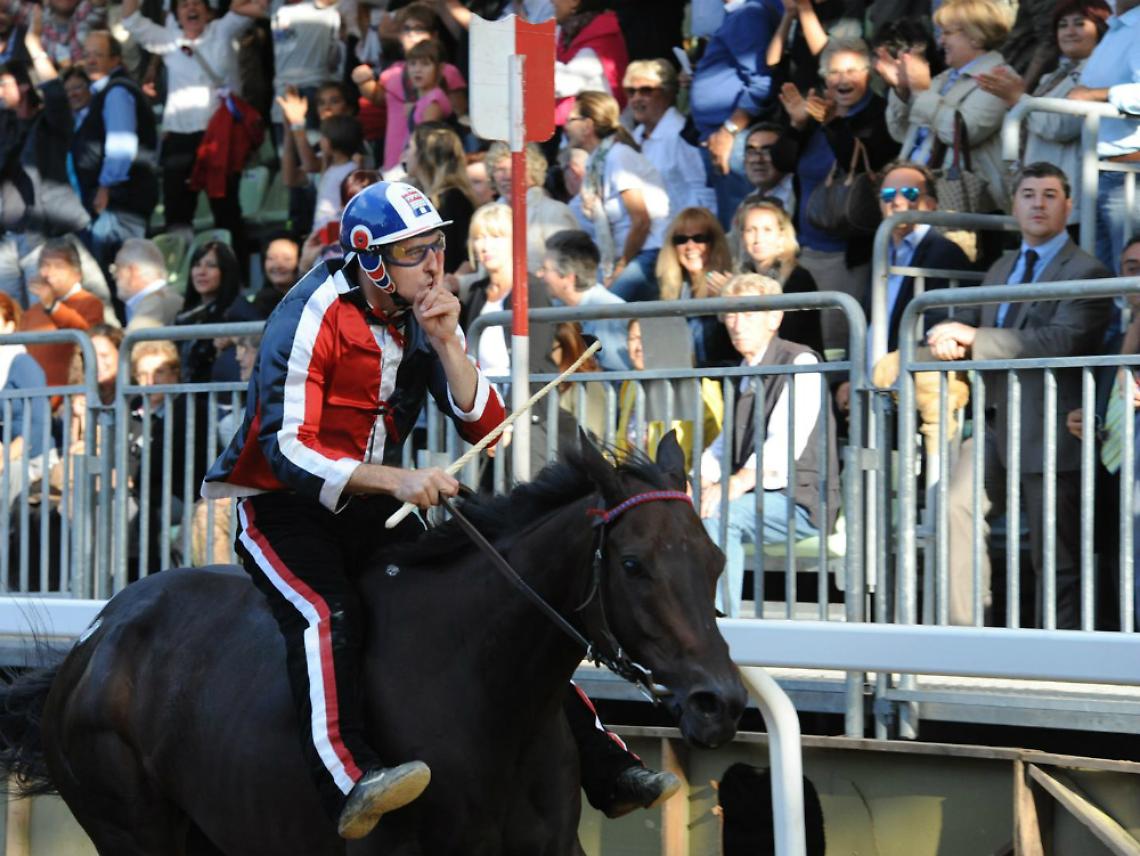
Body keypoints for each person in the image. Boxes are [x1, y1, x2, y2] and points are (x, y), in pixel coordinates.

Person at [201, 181, 675, 841]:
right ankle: (348, 778)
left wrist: (450, 341)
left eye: (437, 246)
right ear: (369, 260)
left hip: (373, 508)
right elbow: (287, 452)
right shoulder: (310, 314)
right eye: (414, 252)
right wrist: (395, 479)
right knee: (325, 613)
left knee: (497, 596)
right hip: (283, 511)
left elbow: (489, 426)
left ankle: (603, 760)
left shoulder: (428, 313)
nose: (434, 264)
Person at [935, 163, 1113, 629]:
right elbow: (970, 322)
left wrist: (973, 336)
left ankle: (1064, 653)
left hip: (1054, 425)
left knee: (1057, 553)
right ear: (1013, 205)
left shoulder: (1088, 269)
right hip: (996, 422)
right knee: (955, 505)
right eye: (1029, 194)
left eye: (1050, 194)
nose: (1038, 203)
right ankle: (965, 635)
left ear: (1068, 206)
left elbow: (1061, 341)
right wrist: (943, 335)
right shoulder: (1000, 266)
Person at [698, 273, 839, 618]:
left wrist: (734, 483)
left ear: (774, 319)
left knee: (721, 514)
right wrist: (699, 479)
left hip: (800, 499)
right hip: (756, 494)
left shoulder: (801, 362)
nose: (735, 324)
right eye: (730, 314)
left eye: (747, 314)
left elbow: (784, 444)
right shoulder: (744, 369)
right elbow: (722, 445)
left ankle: (719, 625)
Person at [779, 36, 899, 354]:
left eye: (851, 70)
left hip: (847, 254)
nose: (842, 80)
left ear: (868, 73)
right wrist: (795, 125)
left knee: (834, 344)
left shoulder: (879, 114)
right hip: (804, 248)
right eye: (834, 73)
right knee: (799, 339)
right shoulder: (815, 112)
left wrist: (833, 124)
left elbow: (859, 163)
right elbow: (781, 162)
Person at [120, 0, 265, 254]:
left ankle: (234, 274)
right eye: (183, 5)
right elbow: (131, 19)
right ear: (175, 13)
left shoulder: (223, 29)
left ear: (208, 10)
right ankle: (181, 274)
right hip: (179, 137)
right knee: (177, 212)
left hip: (220, 136)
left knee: (226, 207)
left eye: (196, 3)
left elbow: (258, 6)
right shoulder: (167, 39)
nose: (190, 8)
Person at [977, 0, 1111, 229]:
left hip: (1070, 198)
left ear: (1100, 28)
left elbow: (1060, 125)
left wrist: (1018, 98)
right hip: (1040, 194)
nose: (1069, 31)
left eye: (1080, 24)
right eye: (1062, 25)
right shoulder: (1051, 76)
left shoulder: (1101, 73)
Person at [882, 0, 1014, 212]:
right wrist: (902, 90)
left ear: (975, 36)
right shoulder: (943, 79)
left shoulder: (999, 77)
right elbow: (900, 133)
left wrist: (921, 91)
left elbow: (961, 133)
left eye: (948, 33)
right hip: (918, 196)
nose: (940, 40)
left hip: (964, 204)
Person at [0, 12, 91, 306]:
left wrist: (35, 47)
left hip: (43, 239)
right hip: (5, 241)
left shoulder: (50, 125)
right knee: (10, 323)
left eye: (4, 85)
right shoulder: (5, 126)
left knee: (47, 319)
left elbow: (55, 95)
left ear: (24, 86)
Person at [563, 91, 670, 302]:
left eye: (571, 119)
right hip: (625, 256)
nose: (566, 126)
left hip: (648, 253)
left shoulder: (617, 157)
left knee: (603, 310)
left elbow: (641, 221)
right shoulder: (596, 163)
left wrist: (621, 267)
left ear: (588, 125)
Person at [690, 0, 781, 229]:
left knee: (741, 228)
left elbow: (762, 84)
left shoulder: (749, 14)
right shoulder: (738, 14)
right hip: (724, 136)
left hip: (735, 139)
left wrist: (729, 130)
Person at [72, 30, 158, 273]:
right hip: (114, 202)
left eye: (98, 54)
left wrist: (105, 187)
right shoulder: (103, 92)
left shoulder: (117, 91)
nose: (90, 60)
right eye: (86, 54)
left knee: (125, 274)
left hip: (120, 203)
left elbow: (121, 146)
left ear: (115, 59)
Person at [871, 161, 974, 356]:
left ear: (932, 205)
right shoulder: (879, 252)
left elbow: (941, 321)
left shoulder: (945, 253)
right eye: (888, 195)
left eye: (910, 193)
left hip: (908, 373)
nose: (896, 201)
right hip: (872, 376)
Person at [1067, 0, 1140, 274]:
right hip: (1102, 172)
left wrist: (1095, 95)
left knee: (1128, 281)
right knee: (1103, 284)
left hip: (1128, 173)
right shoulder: (1117, 29)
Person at [350, 3, 467, 171]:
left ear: (434, 35)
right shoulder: (393, 71)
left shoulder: (448, 71)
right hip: (394, 162)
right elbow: (377, 98)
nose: (412, 35)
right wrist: (364, 82)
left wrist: (424, 108)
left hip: (430, 165)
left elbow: (460, 115)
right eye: (406, 29)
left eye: (419, 29)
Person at [734, 197, 824, 355]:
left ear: (781, 236)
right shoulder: (739, 279)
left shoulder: (798, 279)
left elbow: (789, 332)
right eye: (750, 230)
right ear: (742, 237)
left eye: (767, 230)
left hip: (796, 366)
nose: (758, 238)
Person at [624, 58, 714, 216]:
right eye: (631, 92)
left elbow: (705, 194)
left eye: (646, 91)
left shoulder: (682, 134)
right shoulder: (634, 137)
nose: (636, 98)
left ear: (668, 92)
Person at [17, 239, 104, 393]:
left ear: (77, 274)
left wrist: (53, 307)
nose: (48, 273)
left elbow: (86, 337)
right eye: (44, 265)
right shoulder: (33, 311)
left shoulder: (90, 303)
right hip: (33, 401)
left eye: (58, 266)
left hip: (69, 401)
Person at [655, 207, 737, 368]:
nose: (690, 246)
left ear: (714, 243)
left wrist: (729, 298)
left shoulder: (732, 285)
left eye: (699, 238)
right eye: (681, 239)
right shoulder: (674, 292)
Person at [538, 229, 630, 371]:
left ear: (569, 277)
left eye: (545, 269)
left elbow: (618, 376)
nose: (539, 274)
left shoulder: (607, 314)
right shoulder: (559, 307)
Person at [484, 141, 579, 274]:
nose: (507, 177)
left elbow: (568, 268)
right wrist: (460, 282)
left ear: (533, 172)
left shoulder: (555, 213)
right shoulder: (489, 217)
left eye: (514, 168)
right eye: (500, 170)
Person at [403, 122, 475, 273]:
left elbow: (469, 257)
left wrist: (443, 290)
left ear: (426, 155)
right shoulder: (423, 198)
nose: (404, 155)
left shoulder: (454, 199)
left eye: (410, 147)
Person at [0, 292, 50, 501]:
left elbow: (39, 422)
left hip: (30, 457)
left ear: (10, 325)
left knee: (12, 472)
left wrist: (6, 456)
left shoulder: (22, 363)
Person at [552, 0, 628, 132]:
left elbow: (561, 84)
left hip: (604, 134)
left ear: (575, 2)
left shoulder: (601, 36)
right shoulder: (567, 31)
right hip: (580, 131)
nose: (551, 1)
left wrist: (527, 61)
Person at [175, 240, 241, 383]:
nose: (201, 272)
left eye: (211, 265)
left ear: (225, 271)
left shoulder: (237, 312)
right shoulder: (183, 316)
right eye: (197, 265)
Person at [226, 233, 301, 322]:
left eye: (287, 259)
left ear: (300, 261)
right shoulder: (249, 305)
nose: (278, 265)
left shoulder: (309, 300)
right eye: (271, 258)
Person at [112, 237, 180, 331]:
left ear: (132, 271)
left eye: (117, 269)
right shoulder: (163, 297)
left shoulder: (154, 303)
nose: (115, 276)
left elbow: (131, 344)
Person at [741, 122, 798, 216]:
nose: (757, 159)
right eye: (751, 151)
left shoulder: (798, 194)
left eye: (767, 151)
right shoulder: (749, 201)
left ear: (786, 155)